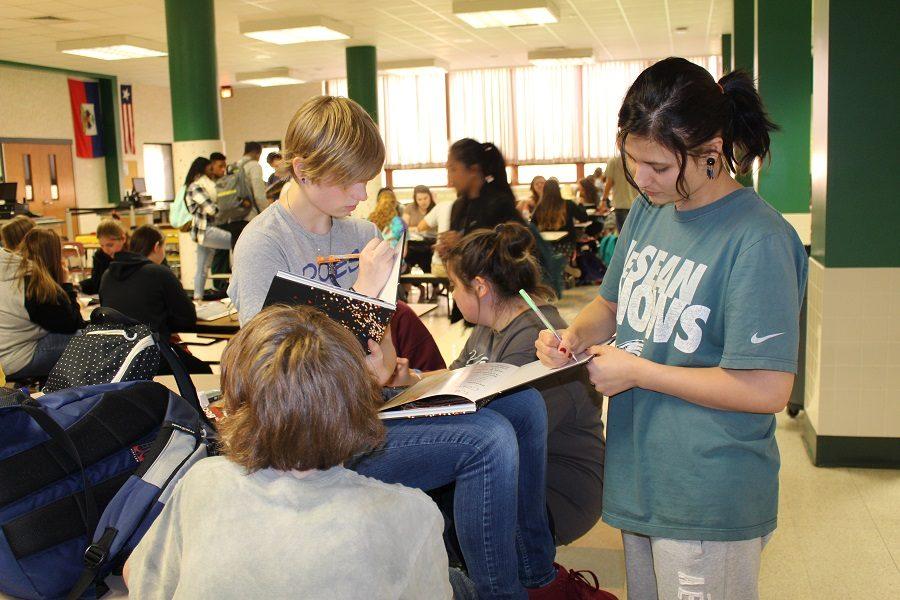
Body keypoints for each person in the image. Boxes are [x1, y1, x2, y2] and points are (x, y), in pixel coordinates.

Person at [230, 96, 609, 599]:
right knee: (488, 440)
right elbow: (276, 385)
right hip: (311, 435)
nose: (361, 193)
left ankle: (534, 576)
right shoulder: (264, 244)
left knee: (523, 406)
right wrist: (363, 299)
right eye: (348, 181)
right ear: (301, 170)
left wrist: (393, 368)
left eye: (367, 178)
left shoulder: (362, 232)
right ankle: (503, 592)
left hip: (366, 406)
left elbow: (381, 359)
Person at [536, 57, 806, 600]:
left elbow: (768, 389)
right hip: (643, 474)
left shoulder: (758, 239)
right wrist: (574, 336)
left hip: (707, 489)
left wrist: (640, 372)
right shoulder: (650, 209)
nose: (642, 179)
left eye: (658, 166)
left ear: (711, 151)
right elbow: (611, 305)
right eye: (633, 162)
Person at [124, 304, 461, 599]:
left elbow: (142, 578)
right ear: (358, 403)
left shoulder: (204, 481)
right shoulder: (412, 514)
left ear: (236, 402)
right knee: (458, 582)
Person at [442, 223, 607, 545]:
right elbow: (454, 380)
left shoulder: (537, 340)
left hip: (559, 491)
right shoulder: (488, 325)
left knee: (428, 507)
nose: (452, 294)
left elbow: (496, 434)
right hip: (520, 469)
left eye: (453, 285)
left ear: (479, 287)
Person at [99, 225, 209, 374]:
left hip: (116, 359)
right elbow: (187, 319)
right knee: (203, 371)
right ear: (157, 246)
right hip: (154, 356)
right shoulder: (159, 273)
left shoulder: (107, 275)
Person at [0, 229, 83, 381]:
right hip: (12, 361)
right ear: (54, 256)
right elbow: (72, 323)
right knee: (83, 341)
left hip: (4, 354)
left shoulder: (10, 270)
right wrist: (67, 284)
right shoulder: (35, 283)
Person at [184, 156, 232, 301]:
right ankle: (233, 293)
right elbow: (212, 209)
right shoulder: (196, 186)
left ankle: (198, 300)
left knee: (202, 268)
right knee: (238, 242)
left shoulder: (200, 185)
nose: (214, 171)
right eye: (211, 168)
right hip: (206, 230)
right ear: (204, 169)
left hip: (203, 232)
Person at [78, 218, 127, 295]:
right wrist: (78, 286)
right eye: (102, 245)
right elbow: (96, 283)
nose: (105, 250)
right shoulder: (100, 256)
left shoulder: (133, 257)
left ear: (123, 239)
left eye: (110, 245)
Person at [602, 155, 639, 232]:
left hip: (621, 204)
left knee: (624, 236)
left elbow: (609, 183)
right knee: (636, 235)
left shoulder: (613, 161)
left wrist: (603, 200)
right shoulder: (637, 158)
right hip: (638, 204)